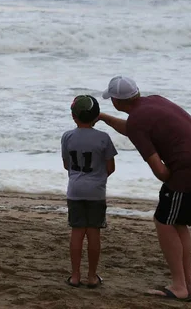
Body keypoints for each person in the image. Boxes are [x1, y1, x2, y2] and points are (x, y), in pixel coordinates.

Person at [97, 76, 191, 301]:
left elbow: (159, 171)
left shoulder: (138, 122)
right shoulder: (154, 102)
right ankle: (188, 285)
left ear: (117, 101)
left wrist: (174, 180)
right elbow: (132, 128)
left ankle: (179, 286)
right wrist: (102, 118)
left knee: (163, 221)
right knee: (177, 222)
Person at [61, 95, 117, 289]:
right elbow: (111, 167)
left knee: (77, 233)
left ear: (73, 116)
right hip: (96, 191)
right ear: (96, 117)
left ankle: (75, 275)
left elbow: (66, 164)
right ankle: (92, 276)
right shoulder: (103, 137)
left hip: (75, 189)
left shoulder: (67, 136)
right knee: (93, 233)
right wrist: (98, 177)